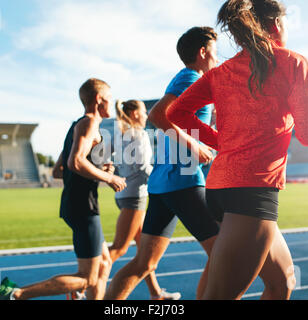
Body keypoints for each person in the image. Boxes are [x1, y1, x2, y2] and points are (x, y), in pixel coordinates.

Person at [166, 0, 308, 300]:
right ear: (277, 25)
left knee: (282, 285)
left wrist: (218, 142)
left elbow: (177, 113)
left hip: (220, 190)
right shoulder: (294, 63)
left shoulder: (220, 72)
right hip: (251, 196)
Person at [105, 27, 220, 300]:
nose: (218, 58)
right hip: (183, 181)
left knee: (145, 263)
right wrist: (194, 145)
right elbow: (158, 115)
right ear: (202, 52)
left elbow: (182, 122)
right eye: (215, 52)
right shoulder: (190, 77)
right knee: (223, 255)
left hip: (163, 185)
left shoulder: (190, 80)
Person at [0, 78, 127, 300]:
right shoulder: (90, 123)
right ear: (98, 99)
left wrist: (96, 166)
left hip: (75, 204)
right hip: (84, 207)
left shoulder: (75, 125)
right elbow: (75, 163)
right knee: (88, 278)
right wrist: (109, 177)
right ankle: (16, 294)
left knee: (104, 263)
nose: (111, 104)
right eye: (109, 99)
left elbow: (59, 170)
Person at [109, 99, 181, 300]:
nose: (147, 113)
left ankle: (156, 293)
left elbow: (105, 156)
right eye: (143, 110)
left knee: (144, 252)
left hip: (123, 195)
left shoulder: (120, 134)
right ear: (133, 113)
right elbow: (143, 169)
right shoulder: (138, 135)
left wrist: (112, 171)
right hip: (135, 197)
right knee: (119, 249)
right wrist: (166, 172)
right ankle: (84, 284)